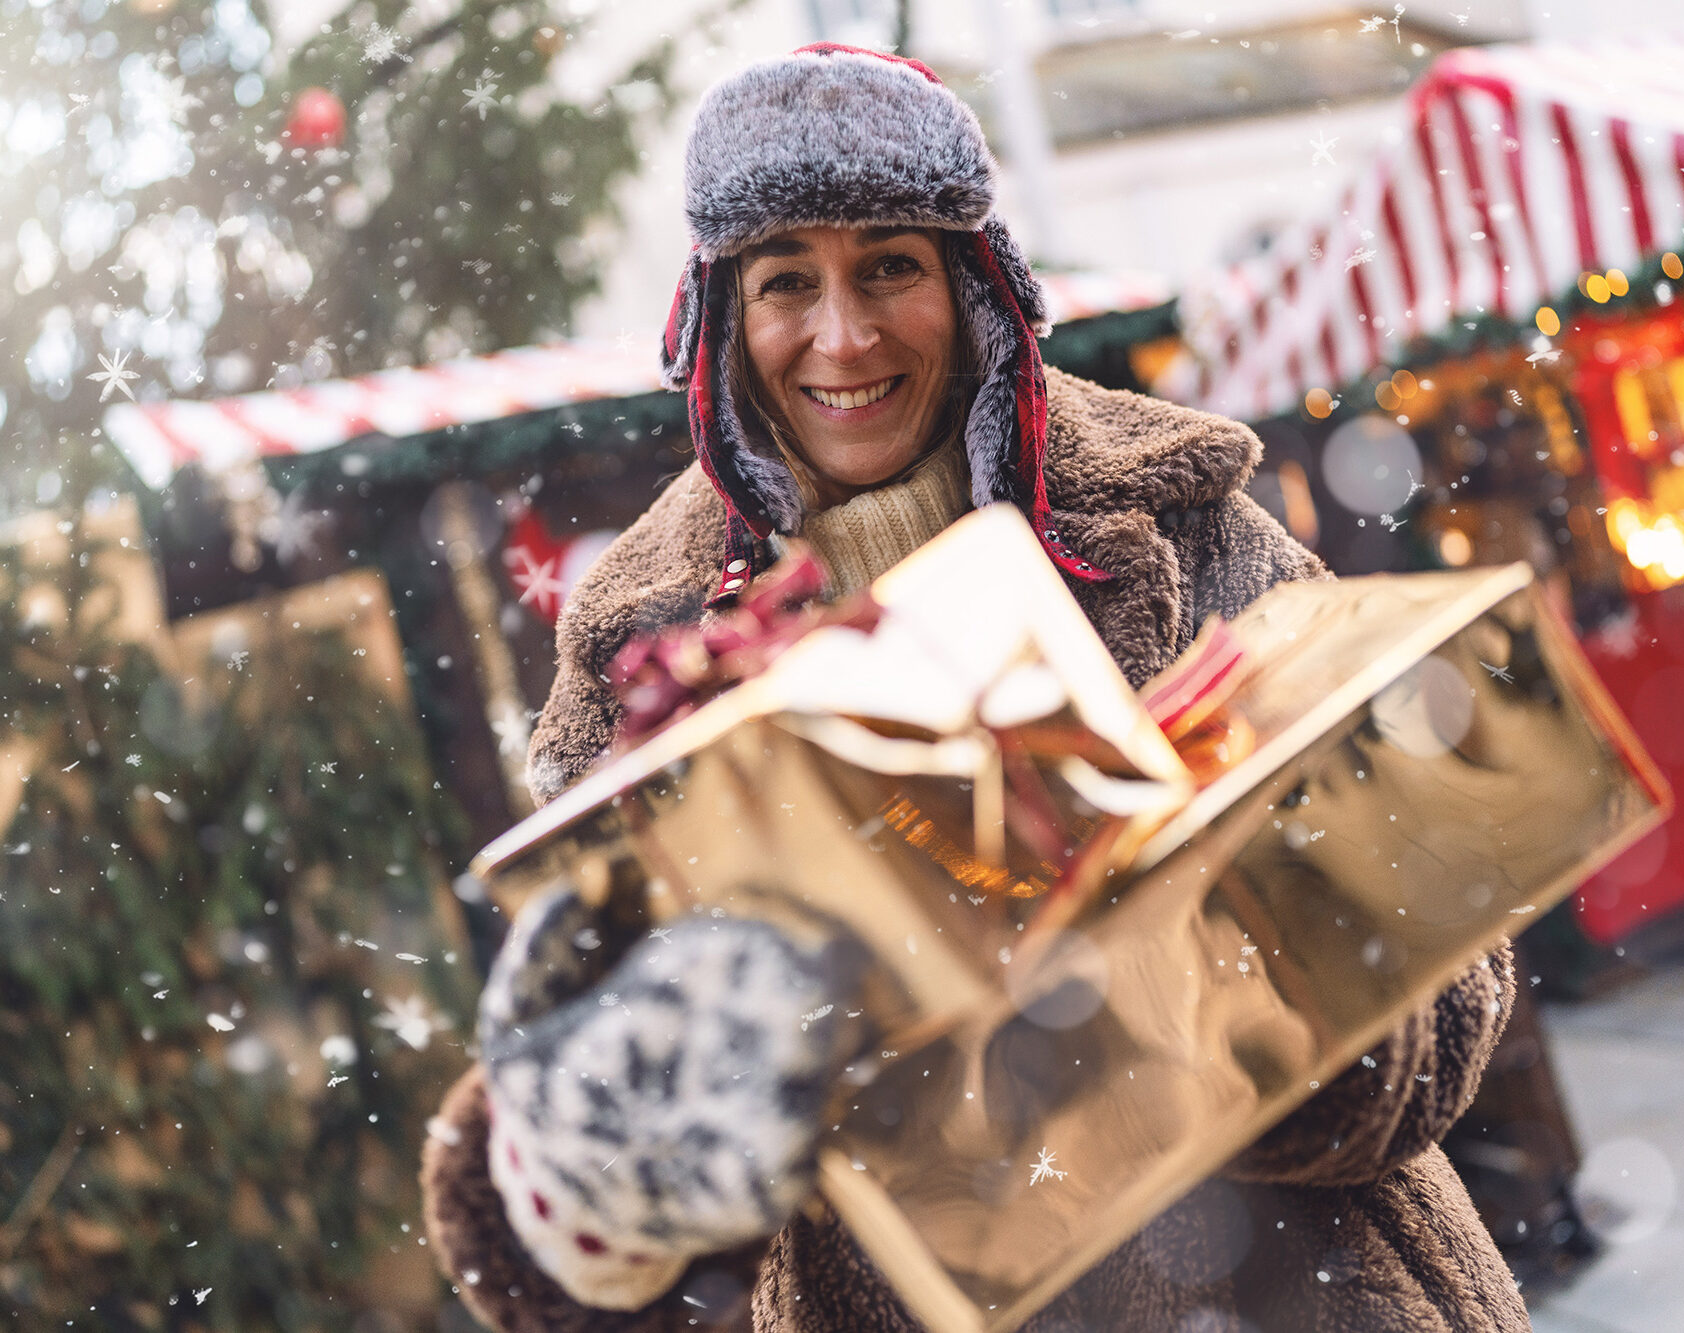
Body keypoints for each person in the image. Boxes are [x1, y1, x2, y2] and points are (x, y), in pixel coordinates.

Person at [421, 44, 1529, 1333]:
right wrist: (587, 1176)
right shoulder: (638, 652)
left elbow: (1443, 953)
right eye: (788, 281)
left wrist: (1216, 1015)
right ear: (726, 317)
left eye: (891, 264)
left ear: (975, 283)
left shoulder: (1185, 523)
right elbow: (631, 1163)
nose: (843, 335)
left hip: (1297, 1290)